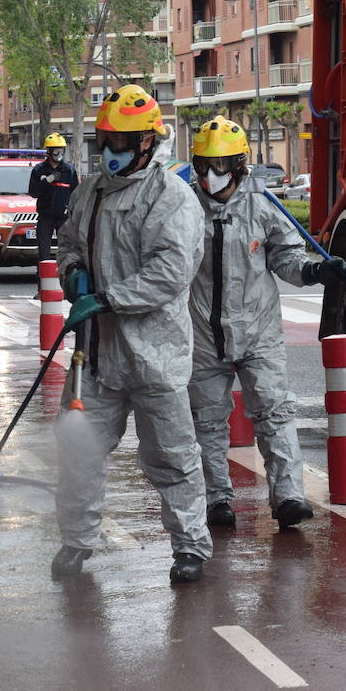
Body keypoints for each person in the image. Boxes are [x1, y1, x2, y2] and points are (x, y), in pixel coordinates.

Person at [51, 85, 212, 584]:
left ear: (147, 141)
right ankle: (76, 542)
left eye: (121, 141)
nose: (111, 150)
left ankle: (190, 547)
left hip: (154, 355)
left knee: (172, 456)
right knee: (77, 454)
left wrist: (108, 299)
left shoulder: (171, 197)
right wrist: (74, 274)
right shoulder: (91, 192)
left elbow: (171, 270)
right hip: (96, 356)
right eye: (105, 140)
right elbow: (70, 243)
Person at [186, 118, 346, 530]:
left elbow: (287, 259)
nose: (211, 173)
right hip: (203, 333)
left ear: (239, 165)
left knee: (275, 411)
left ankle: (288, 496)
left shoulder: (263, 207)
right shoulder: (183, 209)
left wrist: (317, 271)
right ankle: (216, 500)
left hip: (258, 330)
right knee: (205, 420)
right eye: (205, 163)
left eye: (220, 164)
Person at [28, 133, 78, 261]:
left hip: (64, 219)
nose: (59, 153)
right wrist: (46, 182)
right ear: (49, 151)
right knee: (43, 255)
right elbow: (33, 193)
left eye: (61, 149)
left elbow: (76, 194)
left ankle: (63, 280)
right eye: (56, 150)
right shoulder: (39, 170)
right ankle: (43, 280)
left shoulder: (69, 170)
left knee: (66, 254)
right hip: (45, 218)